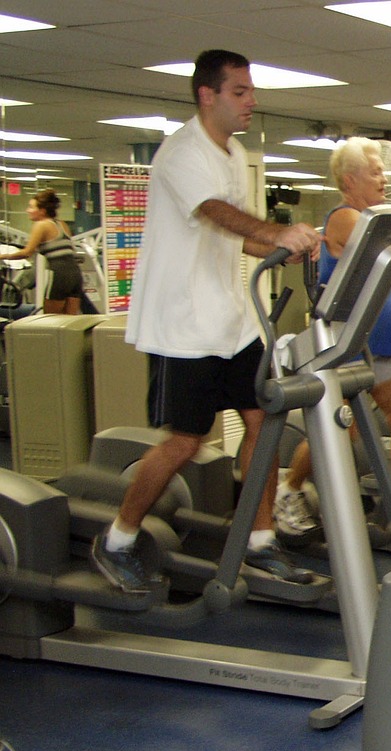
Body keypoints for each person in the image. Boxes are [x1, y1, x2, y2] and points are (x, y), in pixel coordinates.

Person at [91, 49, 323, 594]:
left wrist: (268, 248)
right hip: (183, 325)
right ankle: (118, 538)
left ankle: (260, 543)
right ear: (208, 95)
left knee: (263, 423)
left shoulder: (233, 151)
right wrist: (274, 232)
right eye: (240, 91)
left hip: (230, 320)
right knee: (184, 443)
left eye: (251, 91)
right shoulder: (181, 153)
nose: (251, 101)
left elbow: (226, 231)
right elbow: (212, 211)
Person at [273, 137, 391, 537]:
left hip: (387, 341)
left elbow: (388, 268)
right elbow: (381, 248)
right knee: (342, 429)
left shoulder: (378, 228)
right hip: (348, 347)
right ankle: (288, 489)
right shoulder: (345, 219)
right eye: (375, 171)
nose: (384, 178)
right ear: (349, 180)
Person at [0, 190, 85, 315]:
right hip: (75, 274)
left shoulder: (41, 225)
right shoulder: (62, 224)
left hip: (59, 274)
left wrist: (2, 256)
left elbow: (27, 253)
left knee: (50, 321)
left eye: (31, 207)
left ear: (42, 211)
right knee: (69, 322)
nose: (27, 210)